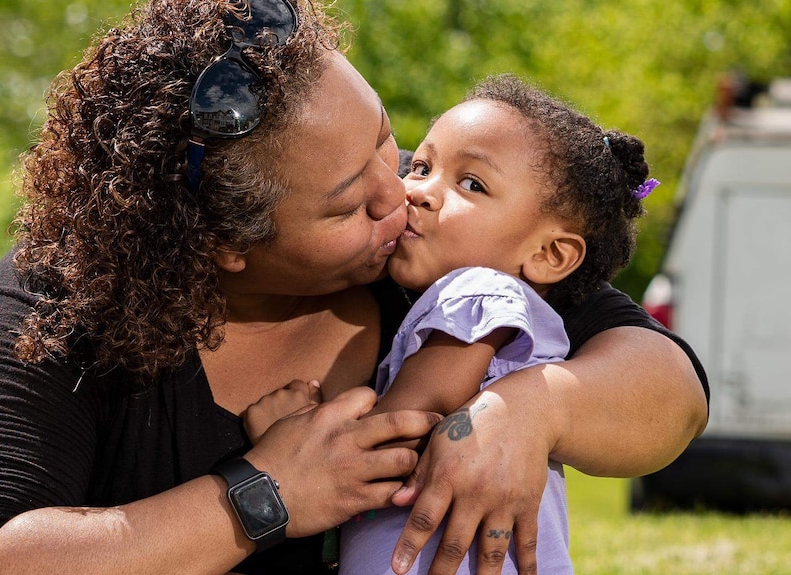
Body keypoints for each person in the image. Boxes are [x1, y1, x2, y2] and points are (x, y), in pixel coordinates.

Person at [0, 1, 708, 575]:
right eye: (348, 202)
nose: (400, 194)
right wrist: (263, 494)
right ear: (224, 244)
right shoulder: (59, 304)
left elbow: (672, 389)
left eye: (385, 140)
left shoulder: (431, 259)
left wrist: (537, 407)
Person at [245, 73, 662, 575]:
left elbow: (392, 437)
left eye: (472, 184)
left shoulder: (476, 296)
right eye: (421, 166)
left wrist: (293, 435)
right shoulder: (478, 309)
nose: (419, 191)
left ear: (550, 254)